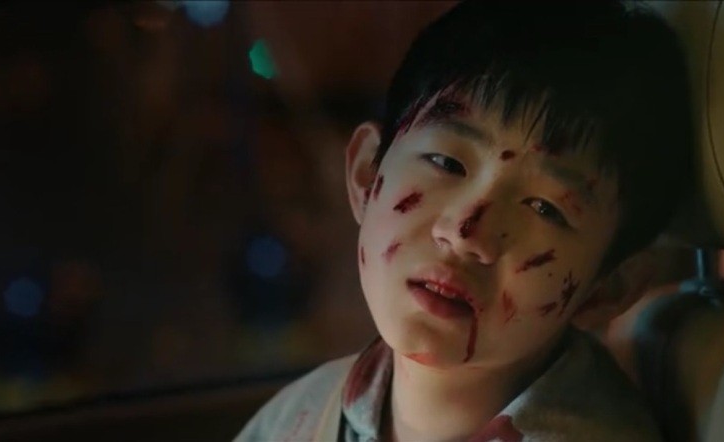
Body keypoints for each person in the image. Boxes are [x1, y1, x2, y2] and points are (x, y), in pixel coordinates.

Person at [236, 1, 693, 440]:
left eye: (544, 208)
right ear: (366, 175)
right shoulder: (304, 414)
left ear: (607, 288)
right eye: (446, 163)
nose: (466, 232)